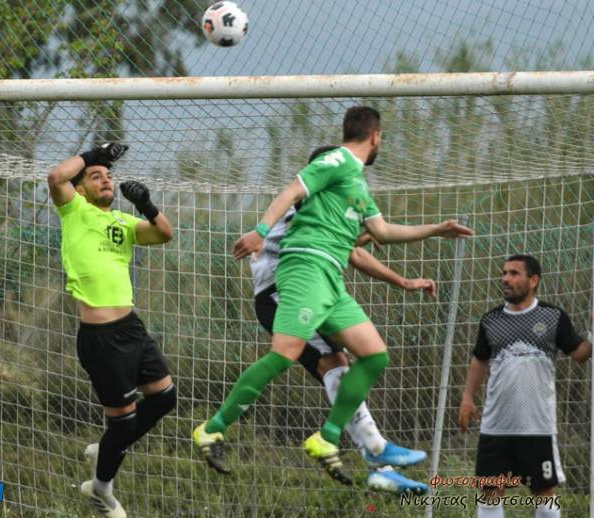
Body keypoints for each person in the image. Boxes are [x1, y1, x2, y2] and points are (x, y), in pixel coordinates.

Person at [193, 106, 473, 479]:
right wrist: (260, 231)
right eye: (382, 137)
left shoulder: (357, 186)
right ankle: (214, 427)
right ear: (375, 135)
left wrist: (436, 229)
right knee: (284, 356)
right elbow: (293, 189)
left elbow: (382, 231)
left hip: (330, 278)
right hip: (305, 269)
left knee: (374, 355)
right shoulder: (337, 159)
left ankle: (329, 438)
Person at [249, 147, 433, 493]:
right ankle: (372, 458)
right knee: (335, 366)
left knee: (341, 365)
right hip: (282, 294)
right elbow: (348, 251)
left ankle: (378, 462)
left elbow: (347, 248)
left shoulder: (316, 205)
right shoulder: (304, 204)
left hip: (297, 292)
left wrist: (399, 278)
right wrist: (400, 277)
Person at [47, 142, 175, 518]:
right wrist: (94, 153)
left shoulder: (123, 223)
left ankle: (105, 450)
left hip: (132, 327)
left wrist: (147, 205)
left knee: (165, 397)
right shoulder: (74, 210)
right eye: (95, 176)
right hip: (100, 337)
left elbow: (164, 233)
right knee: (122, 421)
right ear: (81, 188)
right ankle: (101, 488)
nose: (106, 180)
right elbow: (55, 177)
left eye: (108, 176)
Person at [459, 254, 591, 518]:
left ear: (533, 281)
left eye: (514, 273)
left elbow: (580, 354)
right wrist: (467, 397)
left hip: (537, 426)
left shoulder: (553, 317)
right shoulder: (491, 320)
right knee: (490, 490)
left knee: (544, 490)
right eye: (504, 273)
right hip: (496, 426)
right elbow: (479, 359)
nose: (505, 279)